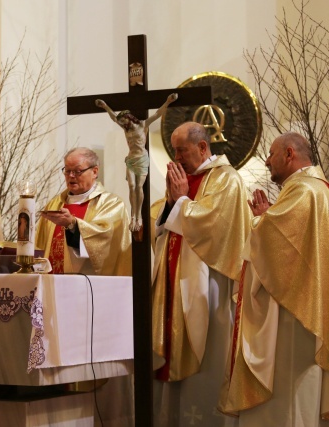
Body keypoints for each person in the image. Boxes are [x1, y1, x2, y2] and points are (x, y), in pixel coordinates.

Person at [218, 132, 329, 426]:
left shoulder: (304, 191)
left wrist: (258, 222)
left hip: (294, 317)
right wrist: (268, 218)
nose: (266, 161)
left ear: (289, 154)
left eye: (270, 154)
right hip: (306, 307)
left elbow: (274, 243)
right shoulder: (318, 189)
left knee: (288, 401)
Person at [152, 122, 252, 426]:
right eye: (174, 150)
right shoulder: (184, 181)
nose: (176, 157)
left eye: (181, 150)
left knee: (208, 355)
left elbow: (214, 228)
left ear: (202, 147)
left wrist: (181, 200)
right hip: (171, 285)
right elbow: (162, 227)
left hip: (209, 289)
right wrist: (172, 201)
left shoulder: (227, 180)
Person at [35, 147, 131, 276]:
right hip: (51, 283)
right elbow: (40, 246)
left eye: (77, 171)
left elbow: (106, 245)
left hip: (90, 287)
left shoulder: (111, 203)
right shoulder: (54, 204)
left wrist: (73, 225)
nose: (71, 176)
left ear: (95, 171)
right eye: (67, 171)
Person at [95, 93, 178, 232]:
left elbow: (158, 113)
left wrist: (168, 101)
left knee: (138, 186)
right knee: (132, 185)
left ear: (128, 119)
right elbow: (113, 117)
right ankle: (133, 215)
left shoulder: (143, 124)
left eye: (123, 121)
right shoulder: (125, 129)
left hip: (141, 159)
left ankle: (138, 215)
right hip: (131, 159)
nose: (121, 123)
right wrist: (105, 106)